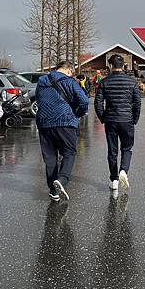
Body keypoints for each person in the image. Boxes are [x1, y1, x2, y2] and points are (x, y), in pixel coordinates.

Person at [36, 60, 89, 202]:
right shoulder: (69, 82)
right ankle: (62, 180)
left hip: (44, 122)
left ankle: (54, 191)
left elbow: (39, 99)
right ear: (69, 70)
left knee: (50, 157)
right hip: (64, 121)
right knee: (69, 152)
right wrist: (78, 113)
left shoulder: (41, 81)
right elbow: (84, 100)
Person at [95, 54, 141, 192]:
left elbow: (98, 102)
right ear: (123, 66)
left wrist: (103, 117)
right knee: (127, 148)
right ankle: (124, 171)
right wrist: (135, 119)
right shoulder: (132, 82)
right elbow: (137, 102)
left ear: (110, 65)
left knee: (112, 151)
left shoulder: (104, 82)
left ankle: (114, 180)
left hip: (111, 120)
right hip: (127, 120)